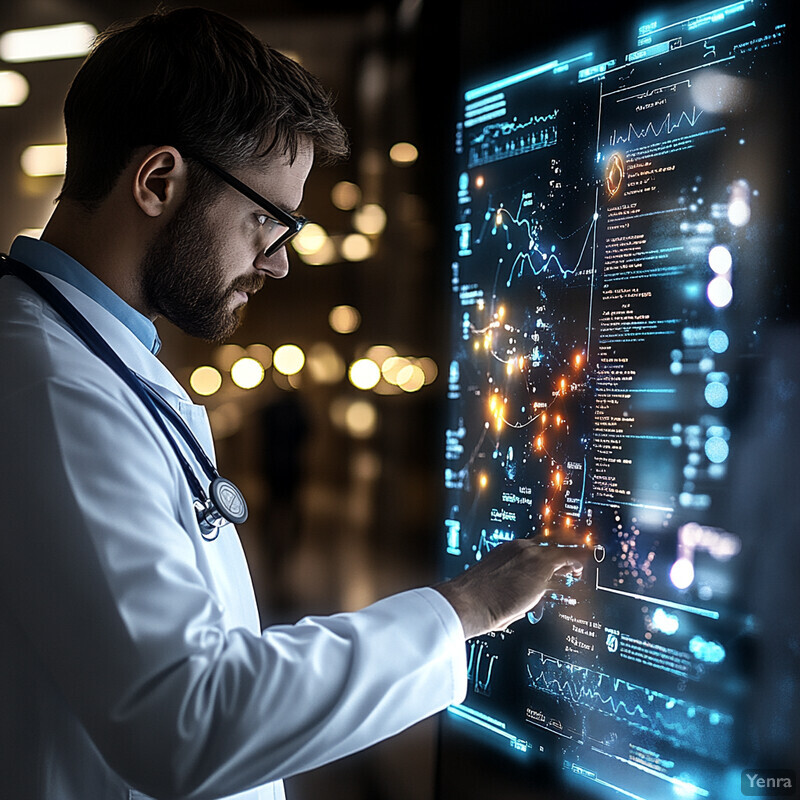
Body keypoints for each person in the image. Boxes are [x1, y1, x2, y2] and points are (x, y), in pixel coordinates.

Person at [0, 8, 584, 800]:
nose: (276, 265)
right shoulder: (50, 387)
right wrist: (462, 610)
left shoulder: (90, 363)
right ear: (158, 181)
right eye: (267, 222)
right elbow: (189, 718)